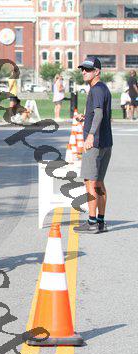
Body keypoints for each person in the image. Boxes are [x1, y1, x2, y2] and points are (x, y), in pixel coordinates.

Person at [73, 57, 112, 234]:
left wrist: (90, 135)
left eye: (88, 69)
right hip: (106, 142)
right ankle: (101, 222)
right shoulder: (103, 88)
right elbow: (98, 114)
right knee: (99, 182)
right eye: (83, 69)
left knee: (90, 181)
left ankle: (91, 222)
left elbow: (99, 114)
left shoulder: (96, 89)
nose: (84, 72)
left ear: (97, 71)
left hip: (95, 143)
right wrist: (85, 117)